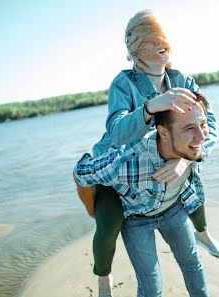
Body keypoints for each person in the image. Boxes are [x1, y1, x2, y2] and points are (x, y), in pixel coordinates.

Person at [75, 10, 219, 296]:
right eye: (154, 39)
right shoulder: (123, 84)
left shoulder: (182, 80)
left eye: (165, 38)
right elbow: (116, 132)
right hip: (119, 173)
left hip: (165, 184)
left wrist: (184, 160)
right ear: (136, 48)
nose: (163, 44)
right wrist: (150, 107)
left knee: (191, 249)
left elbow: (209, 125)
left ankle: (203, 233)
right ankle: (104, 278)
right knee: (109, 228)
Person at [74, 92, 211, 297]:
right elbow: (81, 172)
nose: (201, 136)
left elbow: (205, 143)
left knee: (192, 263)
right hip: (136, 218)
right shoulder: (127, 160)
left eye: (202, 124)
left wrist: (183, 161)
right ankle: (104, 278)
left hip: (173, 208)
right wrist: (91, 210)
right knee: (151, 287)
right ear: (163, 133)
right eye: (189, 128)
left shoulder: (195, 145)